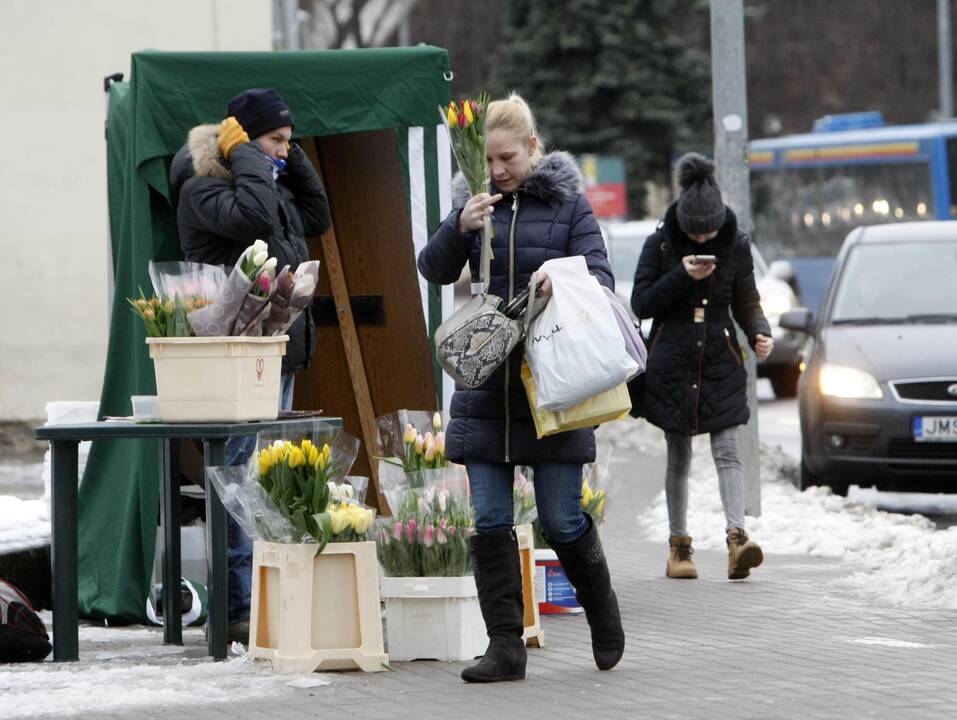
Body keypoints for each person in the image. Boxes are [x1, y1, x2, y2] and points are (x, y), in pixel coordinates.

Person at [417, 93, 624, 682]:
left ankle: (603, 612)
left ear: (533, 148)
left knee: (561, 520)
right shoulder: (473, 206)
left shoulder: (568, 207)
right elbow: (432, 268)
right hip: (485, 388)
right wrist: (459, 227)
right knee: (489, 523)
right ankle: (505, 647)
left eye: (507, 157)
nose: (498, 170)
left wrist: (557, 280)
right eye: (488, 162)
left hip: (550, 387)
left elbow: (600, 276)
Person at [169, 88, 331, 640]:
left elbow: (318, 214)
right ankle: (238, 607)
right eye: (275, 141)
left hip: (271, 351)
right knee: (236, 480)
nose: (284, 153)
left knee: (262, 480)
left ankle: (266, 597)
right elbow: (257, 219)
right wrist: (247, 156)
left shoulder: (267, 180)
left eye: (289, 142)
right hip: (231, 360)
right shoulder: (202, 188)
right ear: (238, 142)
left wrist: (286, 152)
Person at [631, 152, 773, 581]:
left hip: (719, 355)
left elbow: (747, 299)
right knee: (679, 455)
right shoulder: (658, 243)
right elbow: (641, 302)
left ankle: (737, 540)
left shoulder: (737, 244)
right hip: (671, 358)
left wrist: (759, 332)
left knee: (728, 450)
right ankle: (679, 547)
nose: (703, 239)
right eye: (695, 233)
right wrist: (682, 275)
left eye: (710, 231)